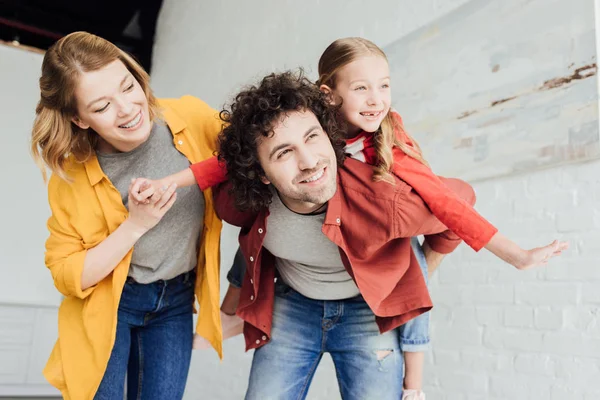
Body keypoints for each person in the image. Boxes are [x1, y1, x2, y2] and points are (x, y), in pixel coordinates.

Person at [132, 37, 568, 400]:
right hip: (293, 305)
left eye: (384, 86)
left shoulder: (384, 161)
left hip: (365, 312)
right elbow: (223, 168)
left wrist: (509, 255)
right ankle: (227, 319)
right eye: (362, 89)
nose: (308, 161)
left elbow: (452, 201)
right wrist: (170, 182)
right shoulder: (261, 180)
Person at [30, 31, 224, 399]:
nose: (128, 108)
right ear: (80, 119)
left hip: (176, 302)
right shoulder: (72, 176)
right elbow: (67, 274)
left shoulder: (190, 118)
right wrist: (135, 224)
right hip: (110, 305)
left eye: (128, 86)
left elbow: (247, 152)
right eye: (102, 106)